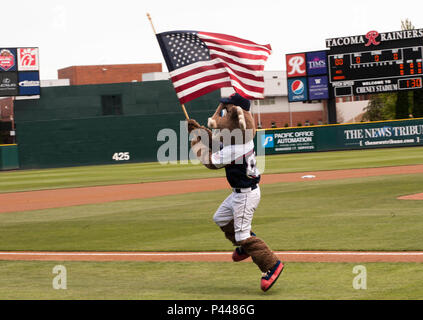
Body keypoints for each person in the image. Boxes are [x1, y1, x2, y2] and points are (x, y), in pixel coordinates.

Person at [187, 93, 284, 291]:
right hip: (239, 193)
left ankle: (271, 265)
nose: (221, 116)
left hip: (246, 195)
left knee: (242, 234)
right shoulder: (238, 139)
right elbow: (217, 143)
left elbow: (210, 161)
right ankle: (245, 245)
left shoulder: (235, 148)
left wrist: (195, 141)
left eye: (225, 112)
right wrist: (198, 131)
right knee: (220, 218)